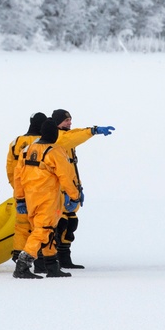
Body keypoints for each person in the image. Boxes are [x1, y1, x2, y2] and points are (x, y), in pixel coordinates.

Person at [12, 118, 82, 279]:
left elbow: (18, 176)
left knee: (47, 231)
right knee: (43, 230)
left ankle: (52, 266)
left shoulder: (27, 150)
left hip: (31, 198)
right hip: (48, 199)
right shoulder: (55, 151)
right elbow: (66, 176)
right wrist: (75, 196)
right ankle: (22, 265)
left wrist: (20, 198)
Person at [50, 109, 115, 269]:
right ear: (58, 122)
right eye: (66, 121)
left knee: (71, 223)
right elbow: (75, 137)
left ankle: (64, 258)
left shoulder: (67, 137)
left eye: (70, 120)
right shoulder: (59, 138)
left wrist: (78, 188)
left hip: (71, 188)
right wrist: (93, 131)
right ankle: (52, 258)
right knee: (61, 224)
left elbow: (72, 166)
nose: (70, 123)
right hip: (61, 190)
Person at [5, 112, 47, 262]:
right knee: (40, 227)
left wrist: (16, 189)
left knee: (21, 226)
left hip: (20, 191)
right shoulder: (43, 143)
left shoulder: (16, 142)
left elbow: (10, 168)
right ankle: (40, 259)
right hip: (39, 192)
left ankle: (18, 256)